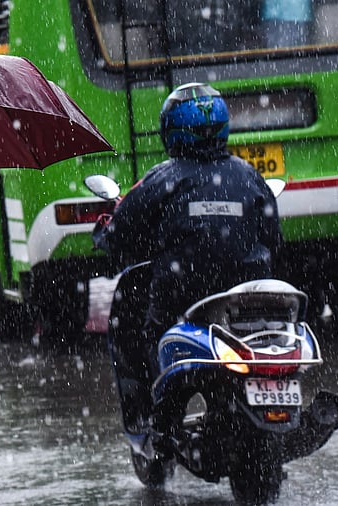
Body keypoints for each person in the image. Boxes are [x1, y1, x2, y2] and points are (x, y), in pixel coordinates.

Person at [96, 83, 283, 437]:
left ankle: (158, 423)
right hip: (247, 296)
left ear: (171, 131)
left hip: (184, 293)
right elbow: (274, 239)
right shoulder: (249, 176)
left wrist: (105, 232)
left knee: (147, 335)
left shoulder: (163, 177)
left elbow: (119, 233)